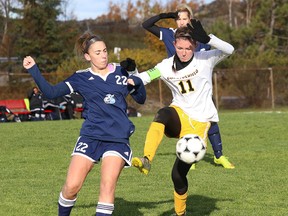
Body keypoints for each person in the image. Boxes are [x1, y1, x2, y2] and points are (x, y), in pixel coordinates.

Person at [23, 32, 146, 216]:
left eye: (105, 51)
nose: (103, 55)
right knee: (72, 186)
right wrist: (34, 69)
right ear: (88, 56)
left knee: (107, 186)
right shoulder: (80, 78)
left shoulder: (121, 71)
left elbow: (141, 98)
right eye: (97, 52)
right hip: (91, 135)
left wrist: (135, 77)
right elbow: (50, 92)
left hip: (117, 139)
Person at [132, 23, 234, 215]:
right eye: (180, 48)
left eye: (188, 48)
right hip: (178, 114)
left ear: (195, 46)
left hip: (199, 124)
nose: (184, 52)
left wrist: (209, 39)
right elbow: (145, 77)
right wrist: (131, 76)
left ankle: (181, 213)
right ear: (174, 45)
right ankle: (146, 159)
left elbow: (230, 50)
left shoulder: (205, 59)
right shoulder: (165, 66)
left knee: (177, 176)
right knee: (162, 113)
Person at [142, 4, 234, 169]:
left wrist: (208, 39)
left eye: (185, 18)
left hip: (198, 84)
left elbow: (223, 51)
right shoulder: (169, 34)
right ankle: (186, 154)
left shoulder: (198, 36)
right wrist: (164, 15)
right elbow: (146, 25)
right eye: (178, 18)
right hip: (177, 81)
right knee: (181, 115)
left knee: (208, 117)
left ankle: (218, 155)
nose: (181, 22)